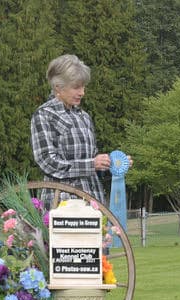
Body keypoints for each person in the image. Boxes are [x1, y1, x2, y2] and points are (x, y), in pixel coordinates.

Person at [31, 54, 130, 208]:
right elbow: (47, 162)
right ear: (58, 87)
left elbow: (92, 162)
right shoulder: (44, 115)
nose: (82, 92)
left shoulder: (84, 117)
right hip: (62, 204)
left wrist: (112, 165)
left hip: (93, 201)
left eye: (83, 86)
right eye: (76, 87)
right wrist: (91, 164)